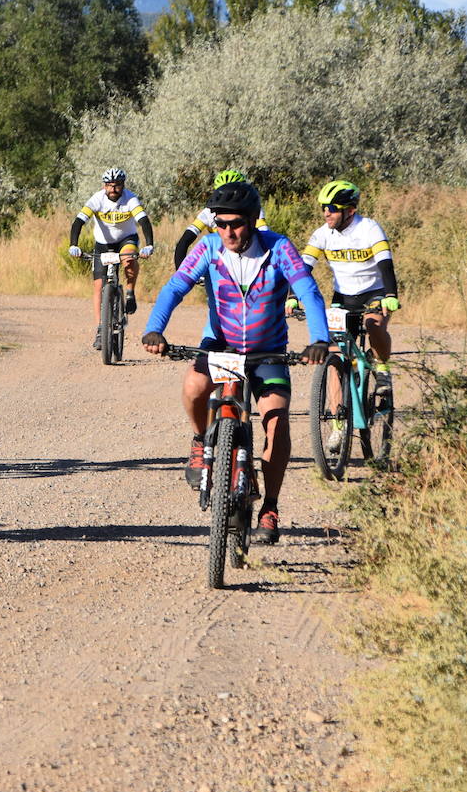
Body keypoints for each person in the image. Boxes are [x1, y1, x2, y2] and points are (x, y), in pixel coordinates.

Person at [141, 181, 330, 545]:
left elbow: (307, 289)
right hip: (221, 344)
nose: (228, 231)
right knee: (194, 387)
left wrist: (319, 339)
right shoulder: (209, 248)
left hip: (268, 350)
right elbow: (175, 287)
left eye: (236, 224)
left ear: (253, 219)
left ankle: (270, 507)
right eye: (221, 223)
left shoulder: (278, 248)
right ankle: (200, 441)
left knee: (276, 421)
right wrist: (155, 330)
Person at [289, 179, 401, 452]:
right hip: (343, 297)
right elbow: (302, 268)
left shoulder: (369, 228)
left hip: (374, 292)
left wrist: (391, 295)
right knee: (334, 356)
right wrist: (292, 297)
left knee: (374, 326)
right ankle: (339, 424)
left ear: (350, 210)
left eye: (332, 208)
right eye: (324, 208)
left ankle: (382, 370)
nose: (326, 212)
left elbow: (386, 265)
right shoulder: (322, 234)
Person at [68, 168, 154, 349]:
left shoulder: (130, 199)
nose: (113, 189)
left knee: (129, 260)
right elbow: (79, 221)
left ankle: (129, 293)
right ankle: (101, 328)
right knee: (98, 286)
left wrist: (149, 245)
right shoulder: (96, 199)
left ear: (123, 185)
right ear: (104, 185)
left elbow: (144, 220)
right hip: (103, 244)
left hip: (126, 239)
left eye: (117, 185)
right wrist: (73, 244)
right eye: (109, 185)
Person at [171, 169, 269, 269]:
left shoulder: (253, 209)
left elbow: (265, 234)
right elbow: (184, 241)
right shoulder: (208, 212)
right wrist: (182, 272)